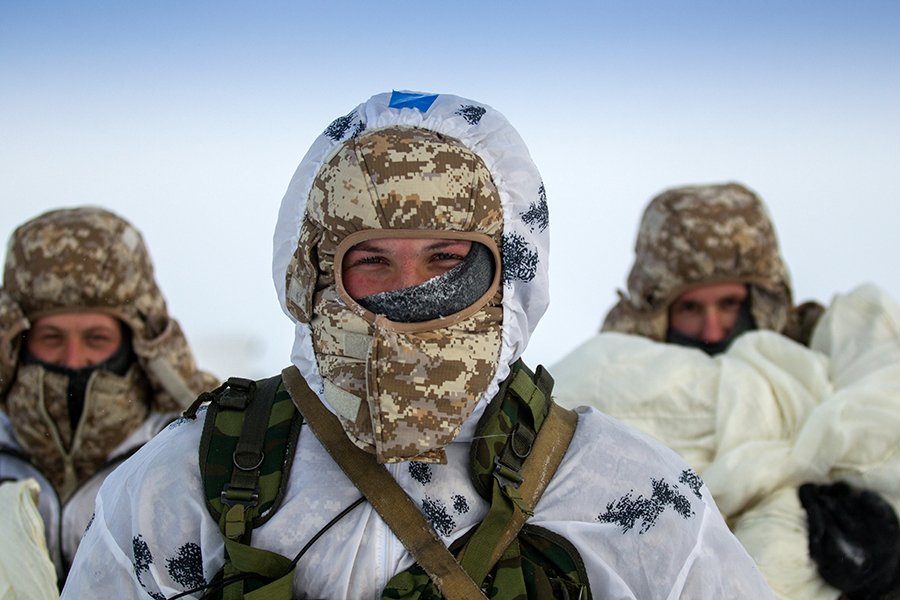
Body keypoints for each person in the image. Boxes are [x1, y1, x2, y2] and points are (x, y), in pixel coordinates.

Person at [60, 92, 773, 599]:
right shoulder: (185, 484)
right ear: (310, 277)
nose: (410, 299)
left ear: (511, 277)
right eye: (372, 261)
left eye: (447, 262)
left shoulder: (620, 491)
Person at [552, 183, 900, 599]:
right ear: (658, 309)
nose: (713, 330)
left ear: (760, 299)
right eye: (691, 308)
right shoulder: (619, 382)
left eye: (730, 303)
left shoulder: (831, 358)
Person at [0, 206, 219, 587]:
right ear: (17, 344)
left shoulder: (182, 450)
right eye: (51, 338)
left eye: (96, 338)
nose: (73, 359)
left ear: (134, 343)